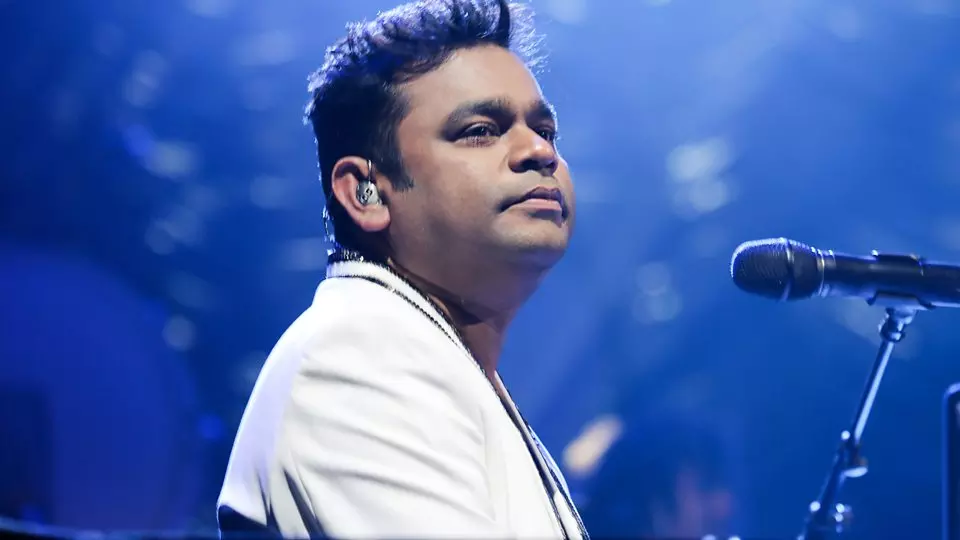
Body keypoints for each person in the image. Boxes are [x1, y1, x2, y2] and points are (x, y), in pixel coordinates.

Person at [217, 0, 585, 538]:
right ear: (366, 193)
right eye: (481, 130)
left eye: (546, 130)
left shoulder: (426, 359)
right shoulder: (355, 361)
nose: (537, 150)